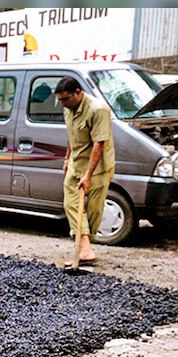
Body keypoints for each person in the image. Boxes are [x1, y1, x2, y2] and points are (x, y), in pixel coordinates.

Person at [56, 77, 114, 267]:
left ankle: (86, 245)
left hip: (98, 166)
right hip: (76, 162)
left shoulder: (98, 110)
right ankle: (85, 247)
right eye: (61, 100)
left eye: (66, 99)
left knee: (94, 208)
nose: (63, 104)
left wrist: (88, 176)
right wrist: (67, 158)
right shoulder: (68, 109)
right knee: (71, 203)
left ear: (78, 92)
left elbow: (99, 144)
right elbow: (71, 135)